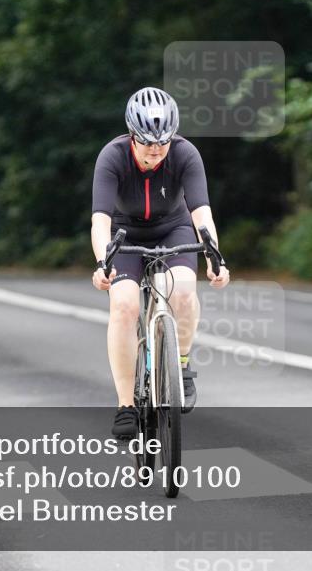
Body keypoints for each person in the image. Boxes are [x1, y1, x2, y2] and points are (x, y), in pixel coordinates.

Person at [90, 86, 230, 438]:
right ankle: (125, 405)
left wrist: (215, 256)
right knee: (123, 307)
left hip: (174, 229)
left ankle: (180, 364)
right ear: (132, 135)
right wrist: (102, 262)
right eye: (148, 142)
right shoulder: (112, 156)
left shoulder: (185, 154)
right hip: (125, 235)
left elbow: (201, 213)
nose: (156, 150)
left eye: (163, 142)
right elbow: (100, 221)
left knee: (182, 290)